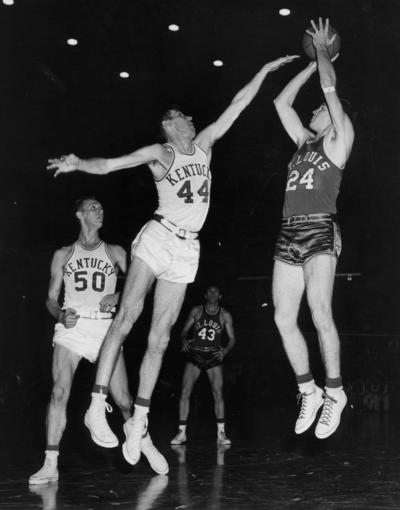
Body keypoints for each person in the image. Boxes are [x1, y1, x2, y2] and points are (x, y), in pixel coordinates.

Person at [46, 54, 297, 469]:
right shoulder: (159, 152)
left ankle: (139, 420)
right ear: (169, 125)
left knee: (161, 338)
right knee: (127, 317)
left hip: (187, 248)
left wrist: (264, 72)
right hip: (158, 237)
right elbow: (109, 165)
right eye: (183, 116)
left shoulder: (204, 146)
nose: (191, 119)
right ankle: (95, 406)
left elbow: (238, 104)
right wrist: (78, 165)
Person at [29, 197, 168, 485]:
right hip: (74, 329)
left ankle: (143, 440)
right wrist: (59, 314)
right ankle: (50, 463)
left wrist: (119, 296)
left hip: (106, 330)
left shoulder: (115, 252)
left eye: (102, 208)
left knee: (125, 400)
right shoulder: (63, 254)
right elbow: (50, 299)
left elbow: (140, 286)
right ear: (79, 214)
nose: (100, 211)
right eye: (94, 208)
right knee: (59, 392)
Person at [272, 18, 354, 439]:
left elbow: (328, 90)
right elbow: (281, 105)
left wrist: (323, 52)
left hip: (320, 228)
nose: (314, 110)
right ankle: (310, 389)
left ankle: (335, 392)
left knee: (320, 312)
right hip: (289, 231)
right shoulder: (303, 141)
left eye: (319, 110)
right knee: (285, 318)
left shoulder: (340, 137)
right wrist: (307, 63)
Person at [170, 286, 236, 446]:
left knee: (218, 393)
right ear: (206, 295)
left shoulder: (225, 314)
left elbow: (233, 338)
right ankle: (181, 433)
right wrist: (184, 340)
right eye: (210, 291)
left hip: (213, 355)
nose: (213, 294)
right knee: (185, 391)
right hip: (196, 354)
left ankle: (221, 433)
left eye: (215, 292)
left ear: (219, 296)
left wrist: (225, 351)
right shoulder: (196, 310)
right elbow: (183, 331)